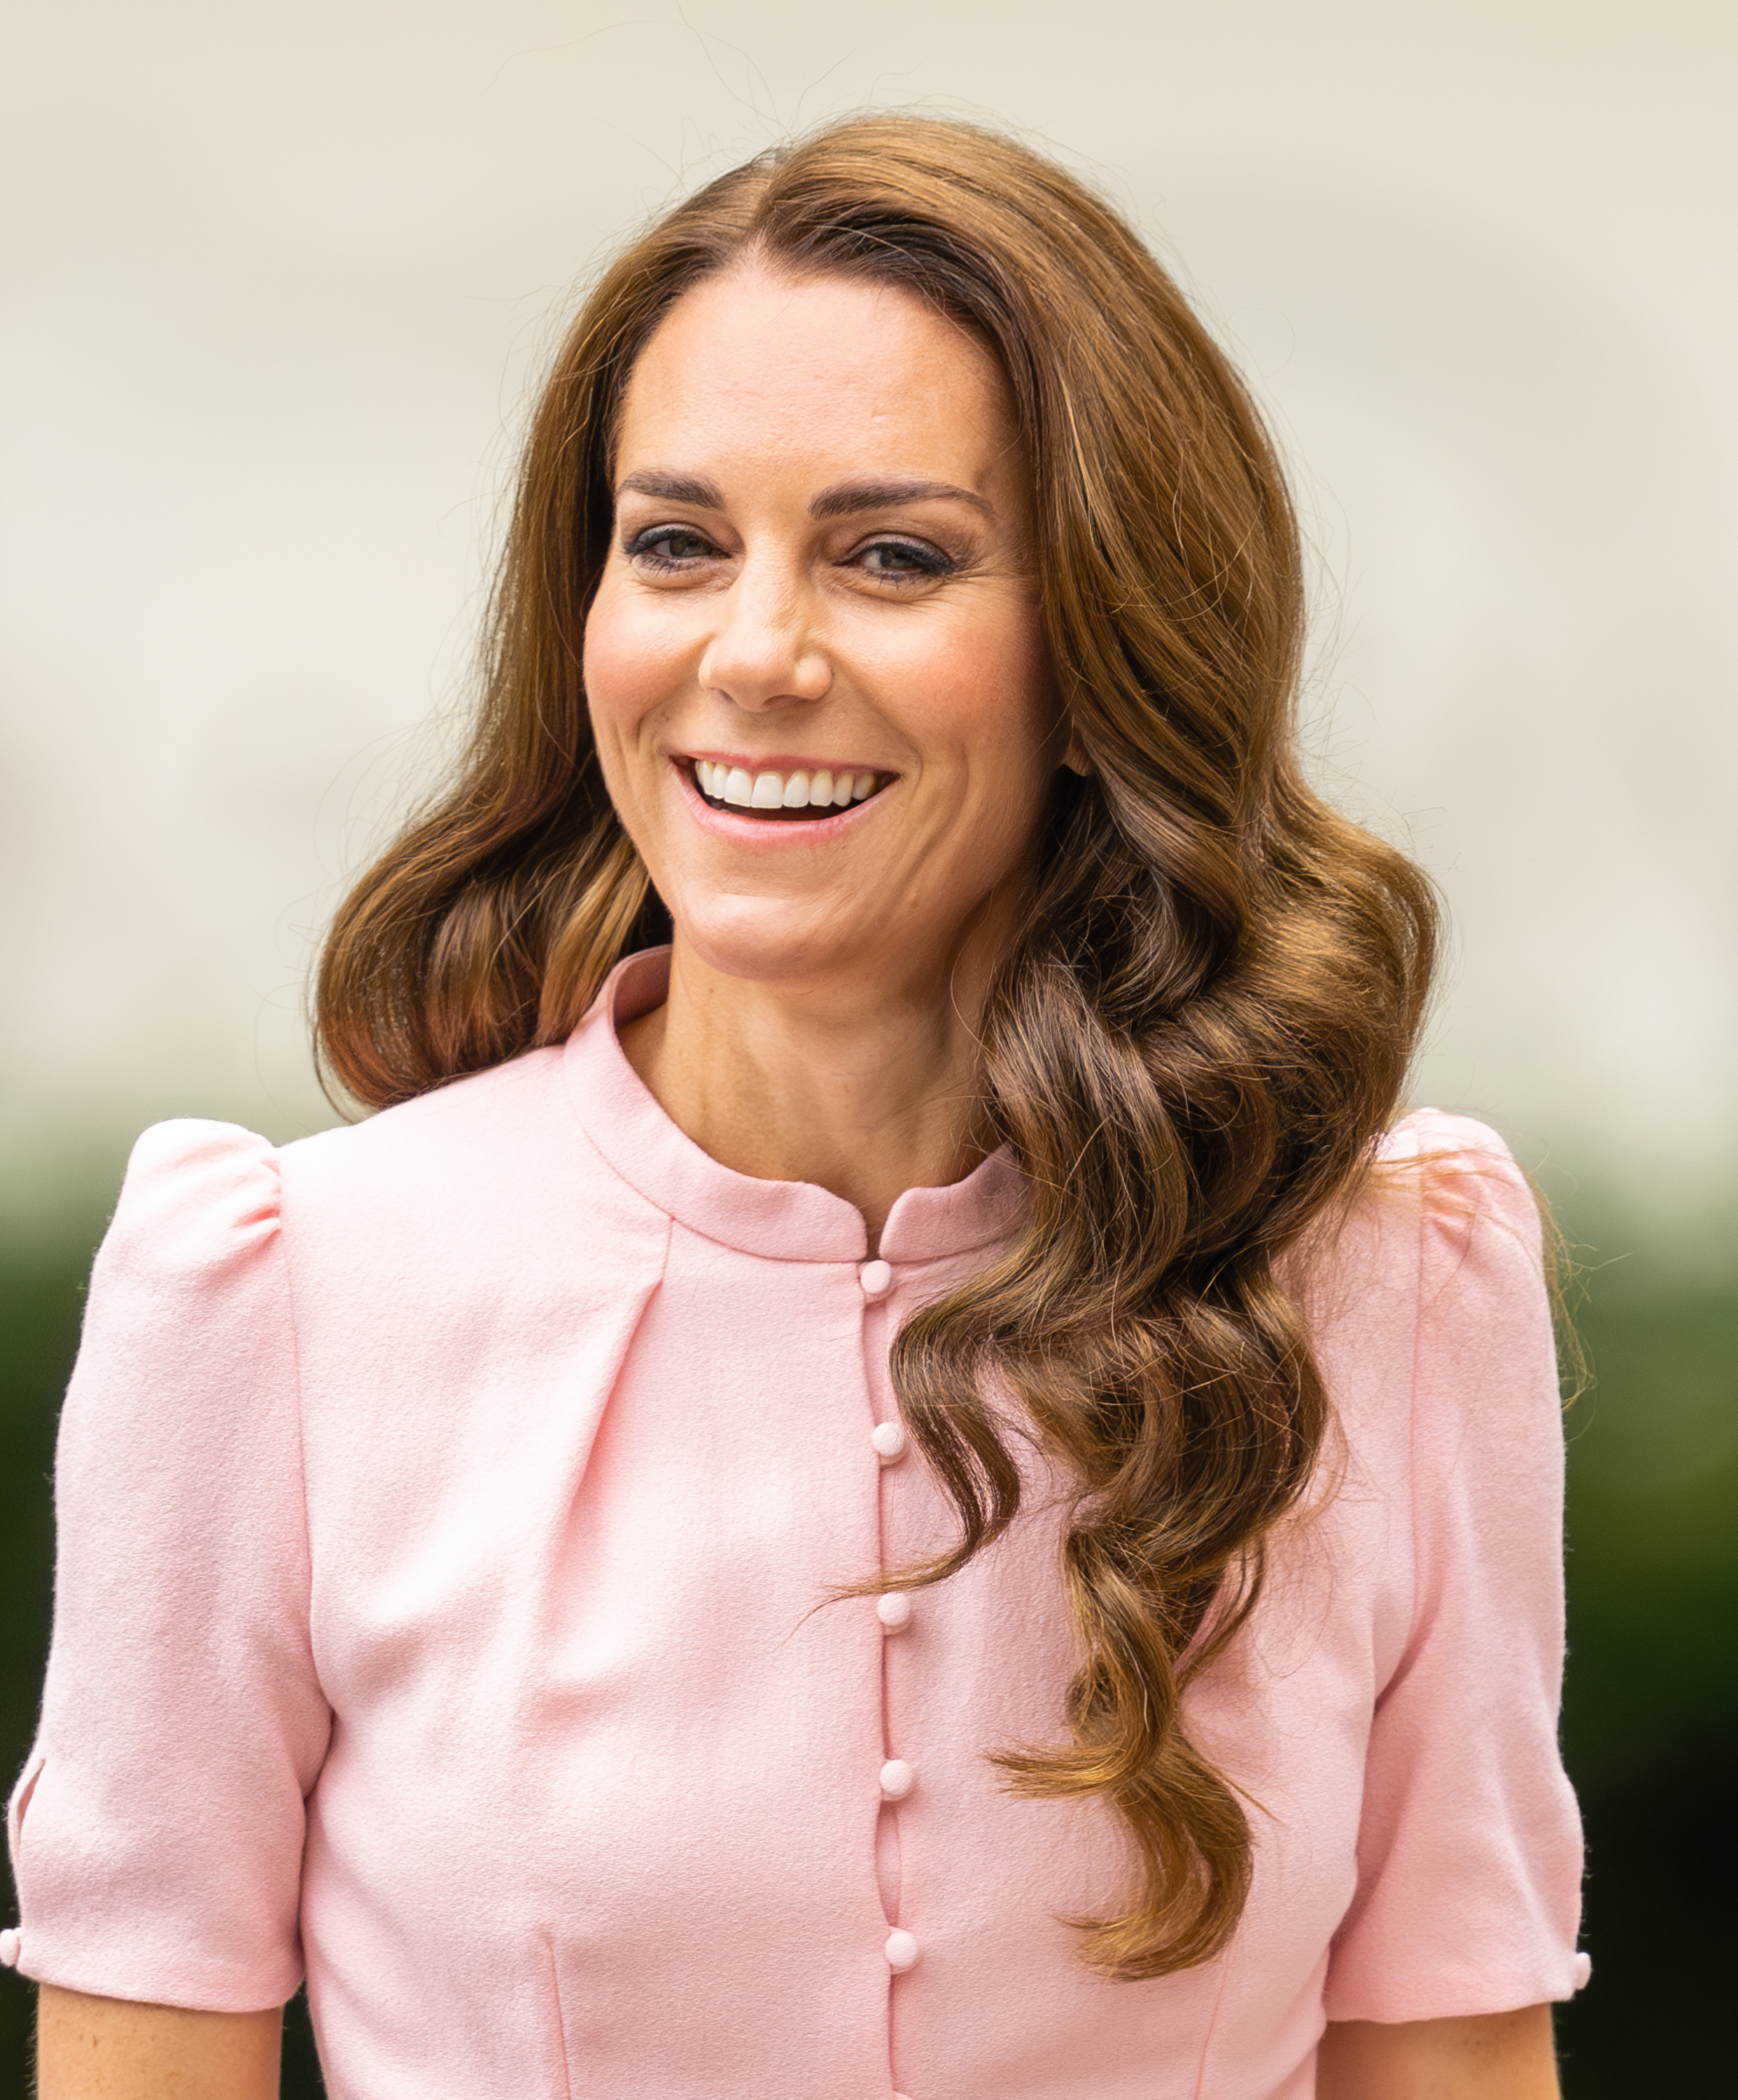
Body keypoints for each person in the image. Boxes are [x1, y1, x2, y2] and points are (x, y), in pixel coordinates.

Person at [6, 115, 1587, 2099]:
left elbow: (1452, 2057)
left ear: (1109, 651)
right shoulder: (275, 1296)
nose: (752, 654)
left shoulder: (1392, 1278)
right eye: (673, 543)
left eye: (892, 555)